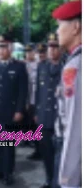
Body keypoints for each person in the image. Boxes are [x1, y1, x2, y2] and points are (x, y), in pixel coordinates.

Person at [0, 35, 28, 186]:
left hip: (10, 111)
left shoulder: (19, 67)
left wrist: (19, 110)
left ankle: (8, 173)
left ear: (10, 48)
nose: (0, 50)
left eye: (3, 47)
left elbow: (23, 91)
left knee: (8, 145)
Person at [52, 0, 81, 188]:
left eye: (60, 25)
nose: (57, 31)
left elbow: (76, 127)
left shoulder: (76, 66)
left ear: (76, 27)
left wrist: (68, 179)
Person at [35, 35, 63, 188]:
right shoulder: (42, 66)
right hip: (44, 117)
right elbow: (38, 92)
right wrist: (36, 112)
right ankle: (49, 179)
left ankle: (58, 183)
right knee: (46, 152)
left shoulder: (67, 66)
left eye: (55, 46)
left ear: (61, 48)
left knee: (60, 154)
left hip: (60, 118)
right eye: (50, 46)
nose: (52, 50)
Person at [24, 44, 40, 160]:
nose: (29, 54)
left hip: (36, 100)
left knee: (37, 125)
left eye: (31, 52)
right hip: (27, 100)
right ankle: (31, 143)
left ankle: (39, 149)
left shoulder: (39, 65)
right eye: (27, 52)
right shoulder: (23, 65)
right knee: (29, 124)